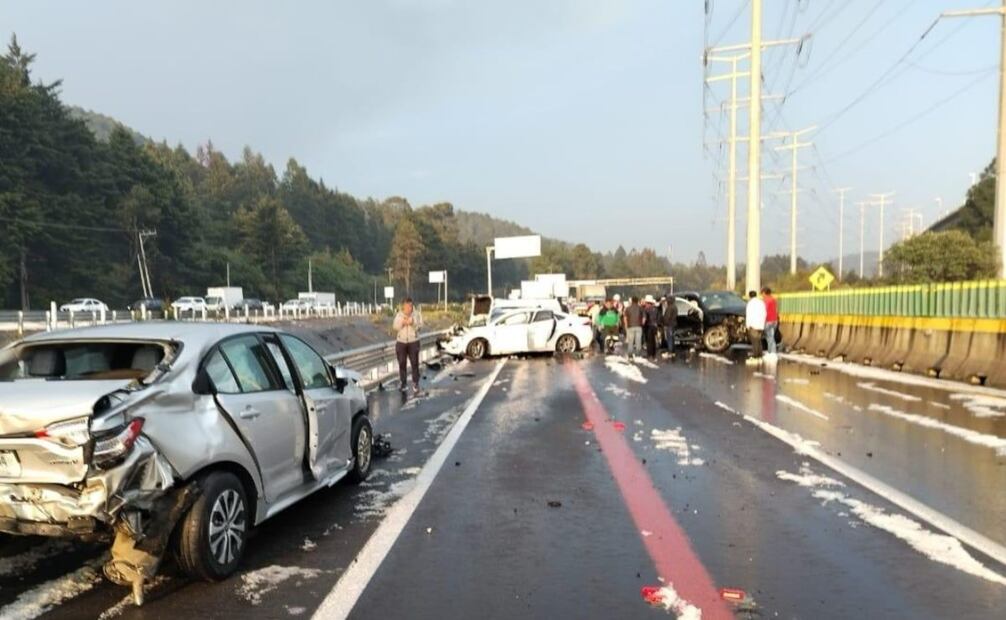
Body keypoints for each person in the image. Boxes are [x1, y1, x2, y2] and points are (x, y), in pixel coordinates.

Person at [393, 298, 423, 393]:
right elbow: (395, 326)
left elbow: (420, 326)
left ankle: (415, 383)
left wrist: (412, 322)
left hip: (413, 341)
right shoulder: (399, 315)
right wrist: (402, 323)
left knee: (414, 363)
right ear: (403, 306)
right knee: (402, 363)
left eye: (410, 306)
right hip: (401, 342)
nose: (408, 308)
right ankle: (403, 383)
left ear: (412, 305)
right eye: (406, 306)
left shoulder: (417, 314)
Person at [745, 290, 766, 361]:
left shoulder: (750, 304)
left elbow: (749, 315)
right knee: (759, 340)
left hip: (753, 324)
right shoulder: (761, 303)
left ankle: (755, 355)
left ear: (750, 296)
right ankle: (760, 354)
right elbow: (765, 313)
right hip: (761, 324)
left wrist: (748, 325)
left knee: (754, 341)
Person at [762, 287, 779, 356]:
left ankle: (772, 353)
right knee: (771, 337)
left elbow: (764, 311)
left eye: (762, 293)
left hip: (768, 320)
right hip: (775, 320)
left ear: (764, 293)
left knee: (769, 337)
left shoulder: (766, 300)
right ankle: (771, 352)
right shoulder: (773, 300)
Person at [642, 294, 661, 359]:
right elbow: (659, 318)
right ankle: (654, 354)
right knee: (654, 341)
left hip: (648, 326)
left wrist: (642, 325)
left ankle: (649, 354)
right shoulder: (656, 309)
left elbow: (644, 319)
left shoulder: (646, 309)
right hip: (655, 326)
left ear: (647, 303)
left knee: (649, 341)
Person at [661, 293, 678, 357]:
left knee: (669, 339)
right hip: (673, 324)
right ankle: (673, 351)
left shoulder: (670, 307)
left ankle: (669, 352)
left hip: (669, 325)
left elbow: (667, 317)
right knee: (672, 338)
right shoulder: (675, 306)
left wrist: (664, 322)